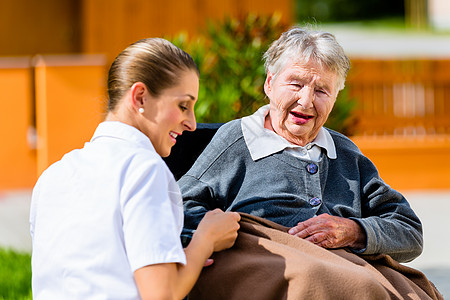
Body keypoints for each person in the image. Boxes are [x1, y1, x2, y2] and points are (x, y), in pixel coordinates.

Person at [179, 27, 423, 263]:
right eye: (296, 84)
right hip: (273, 272)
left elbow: (409, 231)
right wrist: (234, 238)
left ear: (335, 97)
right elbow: (180, 205)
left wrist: (354, 231)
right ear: (269, 84)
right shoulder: (238, 140)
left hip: (348, 273)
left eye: (321, 91)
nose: (306, 101)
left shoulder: (345, 153)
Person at [29, 38, 240, 300]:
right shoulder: (144, 170)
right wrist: (205, 240)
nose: (192, 124)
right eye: (183, 106)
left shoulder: (53, 174)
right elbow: (161, 294)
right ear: (140, 96)